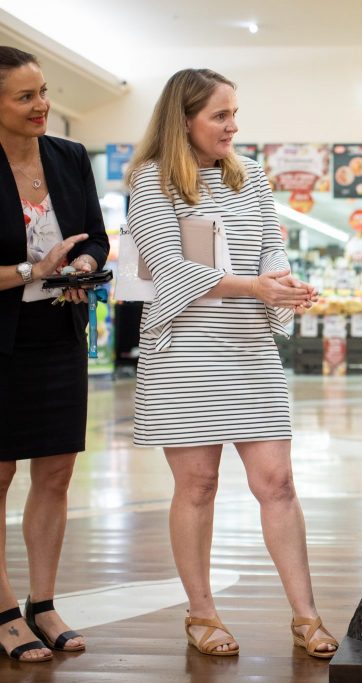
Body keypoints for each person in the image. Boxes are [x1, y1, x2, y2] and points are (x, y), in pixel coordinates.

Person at [125, 68, 336, 659]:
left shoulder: (249, 178)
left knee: (279, 483)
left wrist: (282, 282)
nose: (232, 125)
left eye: (234, 113)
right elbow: (168, 267)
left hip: (248, 349)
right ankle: (201, 612)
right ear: (183, 118)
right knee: (197, 485)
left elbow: (273, 243)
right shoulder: (151, 182)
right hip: (186, 354)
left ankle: (307, 615)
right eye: (220, 115)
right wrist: (255, 288)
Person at [0, 46, 108, 662]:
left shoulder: (68, 156)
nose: (41, 105)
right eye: (24, 96)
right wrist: (30, 269)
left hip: (60, 334)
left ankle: (42, 603)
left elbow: (92, 231)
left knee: (56, 472)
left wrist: (87, 261)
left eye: (43, 92)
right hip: (2, 339)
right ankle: (2, 608)